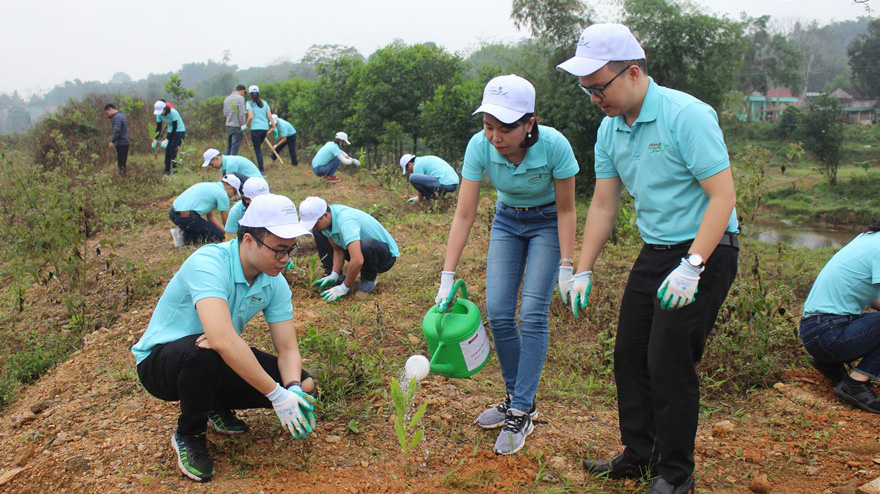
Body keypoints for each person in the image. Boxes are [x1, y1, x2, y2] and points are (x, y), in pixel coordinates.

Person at [557, 23, 739, 494]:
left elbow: (722, 197)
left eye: (600, 88)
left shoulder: (686, 116)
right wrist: (583, 268)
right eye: (588, 92)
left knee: (667, 360)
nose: (596, 99)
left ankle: (677, 475)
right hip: (655, 251)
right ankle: (640, 456)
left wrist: (693, 265)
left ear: (633, 73)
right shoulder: (609, 129)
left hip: (706, 249)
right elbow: (602, 204)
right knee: (630, 355)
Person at [435, 74, 578, 456]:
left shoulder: (555, 147)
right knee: (498, 312)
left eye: (506, 128)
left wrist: (567, 265)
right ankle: (516, 399)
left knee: (532, 313)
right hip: (506, 221)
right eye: (488, 126)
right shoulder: (479, 147)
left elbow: (566, 209)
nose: (495, 137)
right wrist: (447, 275)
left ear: (529, 123)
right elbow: (464, 214)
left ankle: (521, 408)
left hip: (547, 222)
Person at [132, 194, 317, 482]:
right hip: (161, 363)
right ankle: (189, 433)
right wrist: (275, 395)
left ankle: (212, 401)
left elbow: (288, 349)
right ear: (248, 241)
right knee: (207, 349)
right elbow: (221, 338)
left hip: (213, 357)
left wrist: (291, 389)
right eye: (278, 250)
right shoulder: (209, 263)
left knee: (306, 383)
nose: (285, 259)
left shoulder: (275, 282)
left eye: (291, 250)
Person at [801, 224, 880, 414]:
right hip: (828, 333)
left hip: (816, 330)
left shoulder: (869, 238)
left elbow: (875, 300)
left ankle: (829, 363)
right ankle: (855, 384)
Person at [298, 196, 398, 299]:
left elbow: (357, 260)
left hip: (383, 257)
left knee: (366, 244)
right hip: (360, 250)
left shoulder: (346, 221)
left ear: (325, 215)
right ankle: (336, 277)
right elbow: (338, 250)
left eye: (314, 223)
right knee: (319, 232)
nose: (313, 227)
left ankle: (368, 278)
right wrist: (334, 273)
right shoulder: (329, 219)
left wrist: (345, 287)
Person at [169, 176, 238, 247]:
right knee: (216, 237)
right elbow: (227, 223)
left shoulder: (211, 187)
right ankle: (183, 235)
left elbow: (211, 218)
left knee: (214, 232)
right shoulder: (222, 194)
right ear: (230, 188)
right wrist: (228, 236)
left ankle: (183, 233)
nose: (233, 196)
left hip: (173, 213)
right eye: (235, 193)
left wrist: (222, 232)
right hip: (186, 215)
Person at [245, 85, 275, 172]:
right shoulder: (264, 103)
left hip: (255, 129)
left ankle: (261, 170)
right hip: (264, 129)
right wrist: (274, 126)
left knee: (257, 150)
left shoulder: (249, 103)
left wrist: (246, 125)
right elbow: (269, 116)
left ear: (250, 94)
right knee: (258, 149)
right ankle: (260, 166)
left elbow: (250, 116)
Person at [153, 100, 186, 176]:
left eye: (161, 112)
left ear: (165, 109)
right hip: (170, 131)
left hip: (179, 131)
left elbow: (175, 127)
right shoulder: (159, 115)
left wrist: (167, 139)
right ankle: (166, 172)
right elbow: (158, 128)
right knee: (167, 151)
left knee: (173, 151)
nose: (160, 114)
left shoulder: (173, 113)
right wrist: (155, 139)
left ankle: (175, 173)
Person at [104, 103, 129, 175]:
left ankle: (122, 178)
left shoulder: (117, 117)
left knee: (121, 162)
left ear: (110, 109)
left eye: (107, 112)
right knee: (123, 162)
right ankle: (123, 177)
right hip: (125, 142)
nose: (108, 115)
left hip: (121, 143)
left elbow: (117, 131)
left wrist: (112, 141)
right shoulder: (122, 115)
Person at [223, 85, 248, 155]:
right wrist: (243, 125)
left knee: (229, 146)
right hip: (237, 126)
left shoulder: (227, 99)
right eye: (244, 92)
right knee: (235, 147)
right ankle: (232, 164)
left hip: (228, 125)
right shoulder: (240, 98)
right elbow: (241, 114)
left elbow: (225, 113)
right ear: (242, 90)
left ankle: (226, 163)